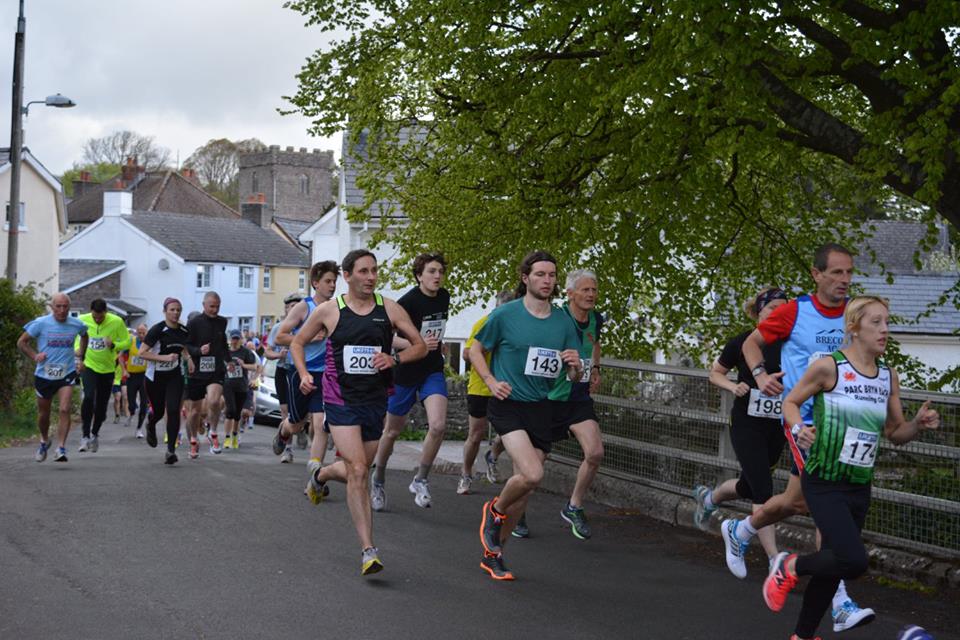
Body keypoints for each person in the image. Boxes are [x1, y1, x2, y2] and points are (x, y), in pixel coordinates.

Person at [762, 296, 939, 640]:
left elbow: (895, 433)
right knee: (853, 561)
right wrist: (799, 429)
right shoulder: (830, 367)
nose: (885, 330)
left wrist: (916, 424)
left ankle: (802, 635)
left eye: (887, 322)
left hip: (859, 484)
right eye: (876, 322)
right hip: (824, 480)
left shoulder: (888, 376)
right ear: (854, 328)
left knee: (833, 565)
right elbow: (790, 402)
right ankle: (790, 565)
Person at [722, 243, 874, 632]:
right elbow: (750, 344)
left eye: (849, 273)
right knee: (830, 503)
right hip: (804, 425)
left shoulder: (855, 315)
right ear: (816, 274)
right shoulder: (795, 312)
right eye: (836, 273)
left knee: (795, 501)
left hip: (842, 424)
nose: (844, 280)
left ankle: (741, 528)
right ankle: (839, 602)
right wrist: (759, 375)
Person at [292, 249, 427, 575]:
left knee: (359, 468)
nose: (371, 277)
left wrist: (395, 360)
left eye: (374, 271)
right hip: (340, 401)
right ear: (348, 275)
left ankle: (321, 475)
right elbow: (297, 342)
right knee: (357, 471)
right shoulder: (329, 311)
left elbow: (420, 345)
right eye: (364, 271)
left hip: (375, 400)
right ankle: (369, 550)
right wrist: (305, 374)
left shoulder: (389, 308)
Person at [471, 250, 583, 580]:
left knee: (525, 489)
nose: (547, 280)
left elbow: (572, 376)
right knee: (532, 475)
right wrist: (490, 381)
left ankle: (494, 553)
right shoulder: (506, 315)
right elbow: (475, 349)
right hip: (508, 404)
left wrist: (574, 366)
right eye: (540, 274)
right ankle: (494, 510)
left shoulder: (563, 321)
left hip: (542, 407)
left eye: (551, 275)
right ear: (526, 278)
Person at [693, 287, 788, 565]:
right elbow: (715, 374)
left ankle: (709, 498)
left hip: (777, 427)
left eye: (784, 308)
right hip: (746, 424)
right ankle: (774, 558)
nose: (779, 313)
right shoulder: (743, 342)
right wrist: (734, 386)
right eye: (772, 309)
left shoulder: (792, 344)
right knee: (763, 489)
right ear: (759, 313)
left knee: (749, 485)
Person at [372, 253, 451, 510]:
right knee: (392, 431)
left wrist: (438, 346)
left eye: (440, 271)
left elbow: (436, 329)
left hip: (432, 370)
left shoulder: (444, 297)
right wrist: (415, 344)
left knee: (438, 426)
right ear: (419, 275)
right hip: (405, 371)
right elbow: (388, 337)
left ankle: (420, 479)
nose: (437, 276)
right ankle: (378, 480)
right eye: (431, 271)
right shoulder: (407, 302)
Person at [544, 268, 605, 540]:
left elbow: (595, 344)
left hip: (578, 397)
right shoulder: (555, 319)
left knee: (595, 453)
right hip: (550, 397)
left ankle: (574, 506)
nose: (591, 294)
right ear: (570, 294)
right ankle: (517, 510)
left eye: (594, 290)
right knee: (534, 462)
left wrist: (596, 369)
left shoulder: (596, 319)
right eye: (585, 290)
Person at [272, 262, 338, 469]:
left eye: (335, 281)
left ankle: (315, 473)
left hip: (323, 374)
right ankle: (283, 432)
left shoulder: (335, 308)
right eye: (328, 281)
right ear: (315, 283)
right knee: (297, 423)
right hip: (299, 372)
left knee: (320, 424)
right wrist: (307, 339)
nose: (332, 285)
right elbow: (281, 337)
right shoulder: (304, 307)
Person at [17, 293, 88, 462]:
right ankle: (44, 440)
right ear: (52, 307)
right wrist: (35, 356)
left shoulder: (76, 324)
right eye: (58, 306)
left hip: (67, 372)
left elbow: (85, 335)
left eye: (65, 307)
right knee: (44, 414)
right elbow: (21, 342)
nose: (62, 310)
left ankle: (61, 448)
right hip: (44, 375)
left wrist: (81, 357)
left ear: (69, 308)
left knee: (64, 409)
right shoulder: (41, 323)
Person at [458, 291, 513, 495]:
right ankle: (465, 474)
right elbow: (467, 352)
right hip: (481, 387)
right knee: (476, 434)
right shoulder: (484, 323)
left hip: (507, 387)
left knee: (510, 434)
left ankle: (493, 456)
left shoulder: (516, 327)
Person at [140, 298, 192, 464]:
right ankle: (151, 423)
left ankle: (171, 450)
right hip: (155, 377)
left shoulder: (184, 330)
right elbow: (142, 353)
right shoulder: (157, 330)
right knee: (159, 412)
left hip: (174, 375)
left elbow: (183, 347)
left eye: (178, 310)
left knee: (173, 410)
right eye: (172, 310)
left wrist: (189, 358)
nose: (175, 313)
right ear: (165, 311)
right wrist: (164, 358)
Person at [77, 298, 131, 452]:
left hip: (107, 369)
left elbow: (127, 342)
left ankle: (95, 434)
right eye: (95, 317)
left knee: (101, 406)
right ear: (91, 312)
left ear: (106, 312)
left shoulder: (116, 321)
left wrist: (114, 345)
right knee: (88, 398)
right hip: (89, 365)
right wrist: (78, 352)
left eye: (100, 317)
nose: (97, 319)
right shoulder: (82, 320)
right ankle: (85, 435)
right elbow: (76, 338)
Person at [184, 291, 229, 458]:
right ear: (204, 305)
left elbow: (223, 343)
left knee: (215, 401)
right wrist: (198, 351)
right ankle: (194, 441)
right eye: (212, 306)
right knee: (194, 411)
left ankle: (214, 432)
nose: (215, 310)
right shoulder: (194, 322)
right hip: (197, 370)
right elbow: (186, 345)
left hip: (215, 368)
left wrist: (229, 360)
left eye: (217, 306)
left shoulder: (222, 322)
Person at [263, 293, 302, 431]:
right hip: (282, 371)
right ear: (286, 309)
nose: (295, 309)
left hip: (299, 371)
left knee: (299, 409)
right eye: (291, 306)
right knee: (284, 409)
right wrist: (279, 355)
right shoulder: (277, 328)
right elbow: (267, 352)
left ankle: (298, 426)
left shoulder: (306, 328)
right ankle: (288, 447)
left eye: (298, 306)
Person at [222, 331, 258, 449]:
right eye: (233, 339)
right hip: (228, 385)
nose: (235, 341)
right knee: (230, 410)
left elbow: (255, 366)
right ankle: (227, 438)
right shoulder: (225, 352)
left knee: (237, 413)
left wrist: (243, 365)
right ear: (230, 339)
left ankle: (235, 436)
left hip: (242, 386)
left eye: (237, 339)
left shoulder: (245, 352)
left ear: (241, 340)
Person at [124, 324, 150, 437]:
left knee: (144, 404)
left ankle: (139, 428)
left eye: (144, 332)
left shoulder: (150, 344)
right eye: (139, 332)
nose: (141, 335)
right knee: (131, 404)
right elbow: (120, 356)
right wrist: (124, 370)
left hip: (144, 376)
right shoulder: (131, 342)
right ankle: (131, 412)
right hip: (132, 376)